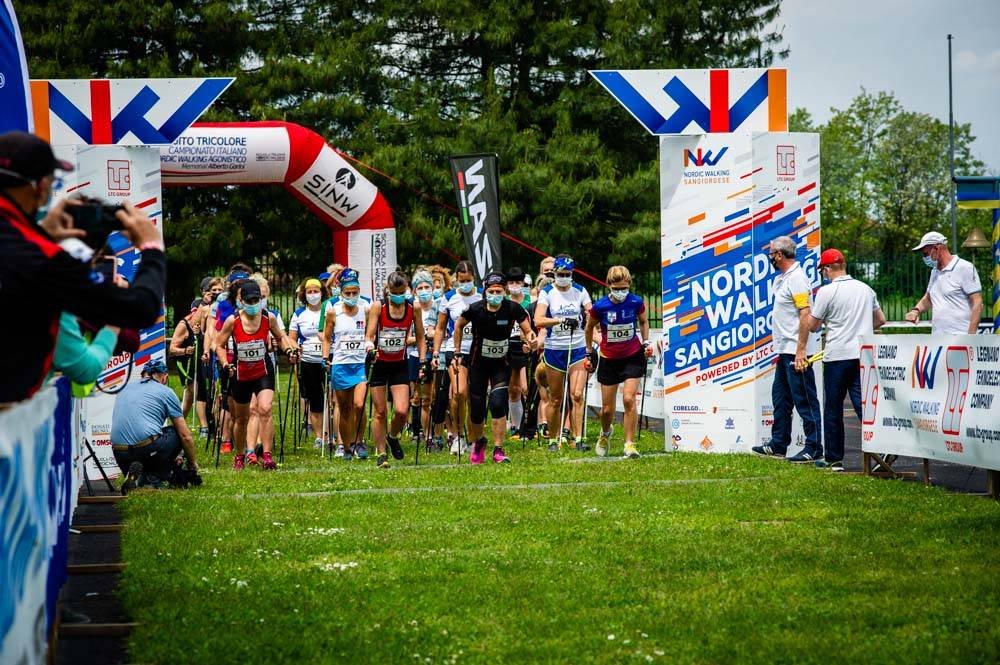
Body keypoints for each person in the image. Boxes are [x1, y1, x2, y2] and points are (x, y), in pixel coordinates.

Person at [0, 131, 166, 404]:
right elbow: (140, 308)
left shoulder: (26, 246)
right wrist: (150, 246)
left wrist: (41, 234)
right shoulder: (42, 260)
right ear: (40, 186)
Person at [805, 249, 886, 471]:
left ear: (827, 269)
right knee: (864, 405)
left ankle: (834, 458)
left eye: (823, 270)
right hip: (861, 354)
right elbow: (880, 320)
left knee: (833, 408)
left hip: (837, 355)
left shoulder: (826, 291)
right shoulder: (865, 289)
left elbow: (813, 325)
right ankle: (884, 445)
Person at [451, 271, 536, 464]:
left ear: (505, 291)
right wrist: (456, 351)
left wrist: (531, 340)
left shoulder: (512, 308)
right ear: (485, 291)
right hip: (478, 363)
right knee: (478, 409)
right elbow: (458, 326)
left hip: (501, 363)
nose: (495, 295)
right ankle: (479, 442)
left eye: (499, 291)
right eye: (492, 291)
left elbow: (528, 329)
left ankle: (498, 449)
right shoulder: (475, 308)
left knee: (498, 403)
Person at [751, 236, 822, 462]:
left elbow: (805, 314)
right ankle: (778, 444)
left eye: (772, 253)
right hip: (784, 351)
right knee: (781, 399)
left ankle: (813, 446)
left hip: (795, 352)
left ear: (779, 255)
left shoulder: (797, 279)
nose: (770, 257)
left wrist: (801, 350)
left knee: (804, 400)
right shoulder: (783, 279)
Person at [214, 280, 298, 470]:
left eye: (256, 300)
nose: (253, 305)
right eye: (249, 301)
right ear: (241, 301)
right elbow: (218, 344)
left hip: (263, 371)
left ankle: (267, 456)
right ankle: (240, 455)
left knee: (265, 409)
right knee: (242, 418)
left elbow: (280, 338)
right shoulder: (232, 321)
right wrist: (226, 363)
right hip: (241, 373)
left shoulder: (269, 318)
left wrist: (289, 350)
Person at [585, 265, 653, 459]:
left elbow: (643, 321)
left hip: (632, 356)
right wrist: (589, 352)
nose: (620, 292)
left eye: (624, 288)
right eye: (616, 289)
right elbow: (589, 328)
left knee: (629, 398)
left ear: (629, 285)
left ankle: (629, 445)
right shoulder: (600, 306)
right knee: (607, 410)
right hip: (609, 359)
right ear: (609, 286)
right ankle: (605, 433)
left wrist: (646, 341)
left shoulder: (636, 302)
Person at [366, 270, 427, 469]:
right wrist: (369, 346)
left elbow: (420, 337)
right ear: (388, 290)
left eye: (401, 291)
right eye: (394, 291)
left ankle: (392, 436)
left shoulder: (413, 308)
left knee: (401, 410)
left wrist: (423, 360)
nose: (398, 295)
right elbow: (369, 335)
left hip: (399, 363)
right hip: (380, 363)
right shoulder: (379, 306)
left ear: (407, 290)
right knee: (380, 411)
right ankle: (382, 453)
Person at [111, 359, 201, 494]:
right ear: (164, 377)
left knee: (153, 441)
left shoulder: (125, 388)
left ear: (143, 374)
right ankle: (151, 480)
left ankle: (136, 477)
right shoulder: (166, 392)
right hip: (144, 450)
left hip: (119, 453)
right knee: (176, 432)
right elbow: (185, 436)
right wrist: (192, 464)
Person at [534, 254, 592, 452]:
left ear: (572, 274)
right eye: (560, 274)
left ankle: (578, 438)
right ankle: (553, 439)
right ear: (555, 273)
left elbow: (591, 312)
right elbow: (539, 320)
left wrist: (589, 316)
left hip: (577, 347)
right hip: (555, 349)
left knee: (576, 394)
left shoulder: (580, 291)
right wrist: (559, 321)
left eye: (567, 274)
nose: (564, 277)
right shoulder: (547, 292)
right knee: (556, 398)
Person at [433, 261, 482, 455]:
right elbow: (440, 327)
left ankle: (474, 437)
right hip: (455, 351)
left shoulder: (482, 296)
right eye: (461, 281)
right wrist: (436, 352)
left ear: (473, 279)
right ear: (456, 280)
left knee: (474, 396)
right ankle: (458, 435)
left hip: (478, 351)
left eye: (468, 280)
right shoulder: (449, 297)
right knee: (459, 392)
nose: (465, 284)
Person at [322, 268, 370, 461]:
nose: (351, 296)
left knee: (359, 405)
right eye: (347, 293)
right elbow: (326, 337)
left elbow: (372, 332)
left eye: (354, 293)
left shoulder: (366, 308)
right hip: (341, 364)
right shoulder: (333, 312)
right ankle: (346, 445)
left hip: (359, 363)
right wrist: (326, 357)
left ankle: (360, 441)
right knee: (345, 408)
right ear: (341, 293)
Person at [905, 231, 983, 334]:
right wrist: (916, 310)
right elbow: (928, 298)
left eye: (925, 253)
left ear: (937, 248)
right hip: (939, 340)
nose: (924, 258)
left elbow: (977, 303)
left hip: (961, 339)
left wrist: (970, 337)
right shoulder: (934, 272)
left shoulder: (965, 267)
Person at [289, 278, 330, 450]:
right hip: (308, 361)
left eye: (316, 291)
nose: (313, 295)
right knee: (315, 399)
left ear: (322, 293)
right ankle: (319, 436)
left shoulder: (330, 311)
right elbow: (291, 338)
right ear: (304, 294)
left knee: (332, 398)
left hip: (328, 359)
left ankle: (331, 434)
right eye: (309, 292)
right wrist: (294, 348)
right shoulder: (299, 314)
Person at [407, 269, 438, 449]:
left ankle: (430, 434)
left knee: (430, 396)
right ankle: (415, 429)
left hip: (434, 355)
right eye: (421, 287)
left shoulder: (437, 306)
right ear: (414, 291)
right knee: (416, 396)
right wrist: (423, 336)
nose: (424, 290)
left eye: (427, 286)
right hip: (415, 356)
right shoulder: (412, 309)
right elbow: (408, 338)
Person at [504, 266, 532, 438]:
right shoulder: (503, 301)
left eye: (518, 282)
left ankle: (529, 425)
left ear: (523, 283)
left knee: (525, 388)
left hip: (525, 347)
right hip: (508, 347)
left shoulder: (531, 301)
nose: (515, 285)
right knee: (512, 390)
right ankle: (516, 425)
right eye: (512, 282)